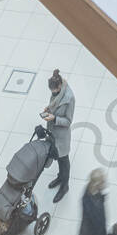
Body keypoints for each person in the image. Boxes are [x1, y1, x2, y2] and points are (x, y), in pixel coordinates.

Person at [38, 69, 75, 200]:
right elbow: (53, 104)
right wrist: (48, 109)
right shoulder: (56, 94)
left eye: (54, 90)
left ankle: (65, 185)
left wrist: (54, 118)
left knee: (64, 160)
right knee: (58, 158)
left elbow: (68, 121)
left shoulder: (69, 98)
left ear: (59, 86)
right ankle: (60, 177)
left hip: (62, 136)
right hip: (53, 132)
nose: (53, 93)